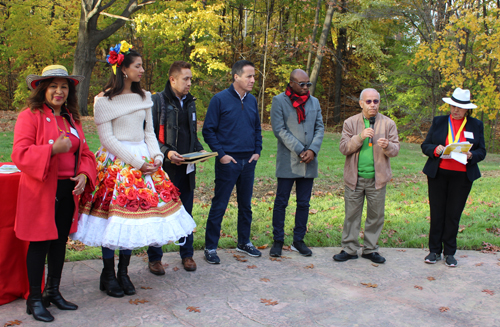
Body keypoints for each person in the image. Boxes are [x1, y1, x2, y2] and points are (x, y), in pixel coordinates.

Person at [73, 41, 196, 297]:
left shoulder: (145, 97)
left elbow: (149, 132)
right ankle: (108, 274)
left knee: (134, 220)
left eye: (141, 66)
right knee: (113, 220)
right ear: (123, 69)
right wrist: (138, 163)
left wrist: (156, 159)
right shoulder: (103, 100)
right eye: (137, 66)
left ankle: (123, 272)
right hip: (117, 163)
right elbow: (108, 139)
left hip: (145, 163)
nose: (142, 70)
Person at [12, 65, 97, 322]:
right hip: (40, 191)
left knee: (60, 243)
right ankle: (35, 300)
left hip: (66, 190)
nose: (59, 91)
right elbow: (20, 154)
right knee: (40, 244)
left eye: (63, 86)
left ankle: (53, 291)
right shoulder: (30, 116)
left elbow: (85, 153)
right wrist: (51, 149)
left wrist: (84, 174)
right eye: (53, 86)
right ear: (42, 89)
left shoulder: (73, 118)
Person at [202, 60, 262, 264]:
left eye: (254, 76)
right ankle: (210, 247)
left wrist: (257, 151)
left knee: (246, 206)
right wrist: (221, 154)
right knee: (219, 205)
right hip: (229, 162)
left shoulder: (252, 100)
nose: (253, 80)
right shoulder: (219, 100)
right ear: (236, 77)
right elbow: (208, 130)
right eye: (249, 76)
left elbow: (257, 129)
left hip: (249, 162)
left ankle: (243, 242)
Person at [147, 61, 205, 274]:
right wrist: (167, 153)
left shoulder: (190, 102)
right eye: (186, 79)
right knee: (160, 212)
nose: (190, 83)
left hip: (187, 169)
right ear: (172, 79)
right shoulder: (157, 101)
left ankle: (187, 254)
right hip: (164, 169)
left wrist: (199, 151)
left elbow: (191, 134)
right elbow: (149, 135)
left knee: (186, 213)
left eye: (191, 79)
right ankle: (155, 258)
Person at [333, 88, 399, 264]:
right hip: (354, 178)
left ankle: (370, 250)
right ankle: (349, 249)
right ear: (361, 103)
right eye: (368, 101)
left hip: (377, 180)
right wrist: (360, 137)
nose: (372, 105)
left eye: (376, 101)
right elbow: (344, 148)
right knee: (351, 216)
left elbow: (396, 150)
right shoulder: (350, 122)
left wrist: (387, 146)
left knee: (376, 216)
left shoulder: (388, 124)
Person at [421, 87, 486, 267]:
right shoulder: (439, 122)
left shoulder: (476, 125)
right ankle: (434, 251)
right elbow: (425, 145)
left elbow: (482, 151)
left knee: (453, 215)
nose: (455, 110)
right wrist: (436, 149)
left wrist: (472, 155)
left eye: (459, 107)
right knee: (437, 213)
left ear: (467, 109)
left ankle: (450, 252)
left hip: (462, 177)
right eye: (453, 106)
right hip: (438, 174)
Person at [269, 69, 324, 257]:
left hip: (309, 162)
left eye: (308, 83)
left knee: (304, 203)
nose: (306, 87)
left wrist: (312, 150)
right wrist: (300, 149)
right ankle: (278, 240)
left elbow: (319, 127)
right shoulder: (279, 101)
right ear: (291, 83)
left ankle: (298, 240)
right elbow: (279, 130)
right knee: (281, 202)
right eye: (302, 84)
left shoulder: (314, 102)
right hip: (288, 161)